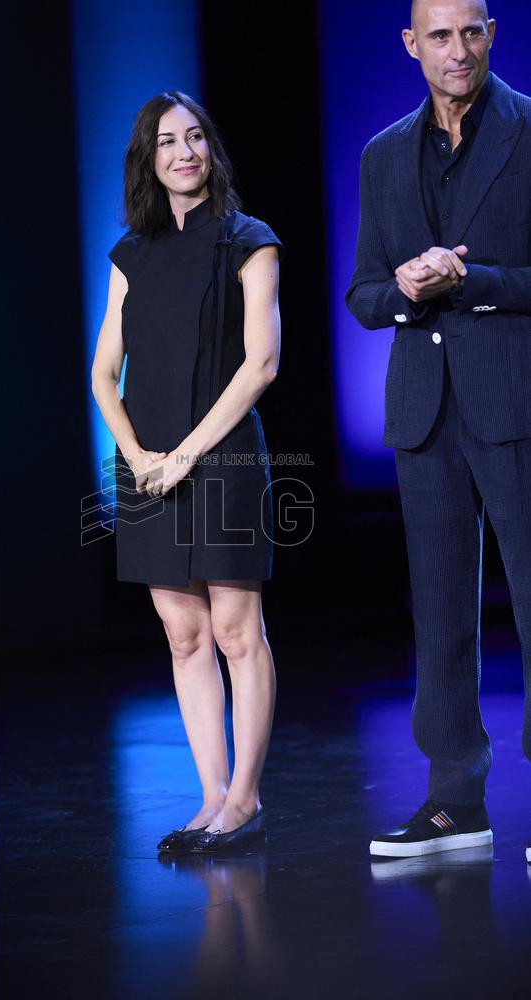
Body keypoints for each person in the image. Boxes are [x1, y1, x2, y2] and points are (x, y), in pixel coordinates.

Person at [346, 0, 531, 860]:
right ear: (411, 45)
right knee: (442, 611)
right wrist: (408, 289)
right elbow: (362, 295)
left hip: (515, 398)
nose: (459, 50)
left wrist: (474, 278)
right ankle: (456, 799)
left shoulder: (529, 130)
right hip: (424, 410)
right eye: (441, 36)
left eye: (473, 31)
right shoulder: (383, 155)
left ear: (492, 35)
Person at [91, 91, 284, 853]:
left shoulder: (249, 240)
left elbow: (261, 362)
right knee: (182, 635)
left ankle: (245, 799)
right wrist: (139, 456)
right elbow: (105, 374)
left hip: (224, 453)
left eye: (196, 137)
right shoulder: (129, 255)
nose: (184, 151)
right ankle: (209, 797)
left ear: (211, 150)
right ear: (149, 157)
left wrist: (186, 454)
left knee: (238, 632)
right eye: (168, 140)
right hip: (147, 464)